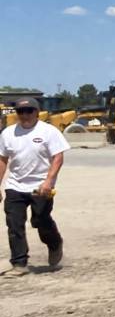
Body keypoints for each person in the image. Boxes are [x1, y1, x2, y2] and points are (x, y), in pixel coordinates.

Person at [1, 97, 69, 277]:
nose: (25, 115)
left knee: (40, 221)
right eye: (20, 112)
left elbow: (58, 157)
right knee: (14, 224)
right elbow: (2, 160)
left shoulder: (49, 132)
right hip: (15, 185)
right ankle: (19, 263)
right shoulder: (8, 133)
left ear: (36, 112)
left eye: (29, 111)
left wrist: (48, 181)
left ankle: (55, 244)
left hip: (41, 186)